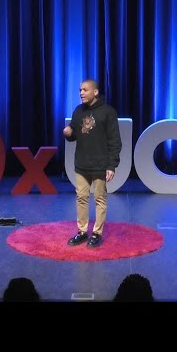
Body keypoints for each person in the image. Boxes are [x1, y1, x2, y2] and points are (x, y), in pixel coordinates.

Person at [63, 79, 121, 248]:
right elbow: (75, 135)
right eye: (80, 90)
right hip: (82, 163)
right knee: (81, 197)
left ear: (95, 92)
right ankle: (82, 231)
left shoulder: (108, 112)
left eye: (85, 90)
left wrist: (111, 165)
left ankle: (97, 233)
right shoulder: (78, 110)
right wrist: (68, 134)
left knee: (99, 199)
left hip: (100, 164)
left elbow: (115, 140)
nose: (81, 93)